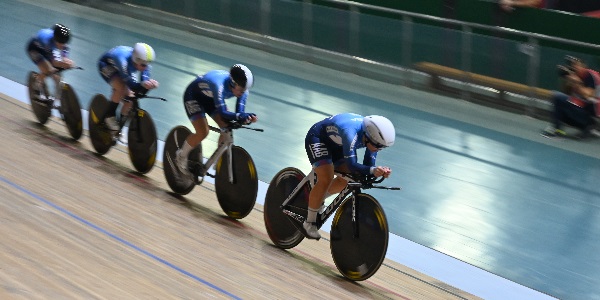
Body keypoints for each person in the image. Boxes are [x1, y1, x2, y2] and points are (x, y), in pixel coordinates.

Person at [303, 113, 395, 239]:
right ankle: (309, 223)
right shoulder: (350, 132)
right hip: (318, 138)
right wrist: (373, 170)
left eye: (382, 147)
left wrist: (377, 171)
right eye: (378, 146)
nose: (379, 149)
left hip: (337, 144)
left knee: (348, 179)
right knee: (326, 177)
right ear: (368, 137)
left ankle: (317, 198)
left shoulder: (371, 136)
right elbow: (352, 165)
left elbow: (368, 163)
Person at [174, 64, 258, 179]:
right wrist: (241, 116)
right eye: (241, 90)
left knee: (227, 127)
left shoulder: (243, 89)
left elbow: (239, 113)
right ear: (233, 83)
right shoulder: (218, 84)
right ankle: (181, 155)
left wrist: (247, 118)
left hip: (211, 99)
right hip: (193, 96)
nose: (243, 93)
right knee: (203, 132)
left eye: (245, 90)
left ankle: (217, 162)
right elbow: (223, 112)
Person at [98, 43, 159, 132]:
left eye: (148, 64)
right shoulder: (122, 59)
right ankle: (109, 116)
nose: (146, 67)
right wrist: (144, 86)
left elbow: (142, 86)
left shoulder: (143, 62)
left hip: (123, 70)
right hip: (106, 65)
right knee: (121, 88)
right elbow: (133, 85)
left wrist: (148, 85)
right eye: (143, 65)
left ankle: (119, 129)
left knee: (131, 99)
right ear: (136, 60)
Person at [542, 74, 600, 139]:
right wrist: (568, 81)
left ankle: (590, 127)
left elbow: (587, 95)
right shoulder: (579, 82)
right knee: (557, 98)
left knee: (558, 96)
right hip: (578, 114)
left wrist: (578, 84)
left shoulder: (594, 83)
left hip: (589, 119)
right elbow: (566, 97)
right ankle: (557, 129)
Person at [26, 24, 76, 97]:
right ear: (55, 39)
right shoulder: (47, 41)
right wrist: (64, 64)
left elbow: (64, 55)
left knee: (56, 74)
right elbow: (54, 62)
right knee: (47, 71)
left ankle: (56, 96)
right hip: (34, 49)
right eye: (60, 43)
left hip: (46, 49)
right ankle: (36, 86)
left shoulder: (62, 40)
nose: (62, 45)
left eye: (64, 43)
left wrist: (67, 60)